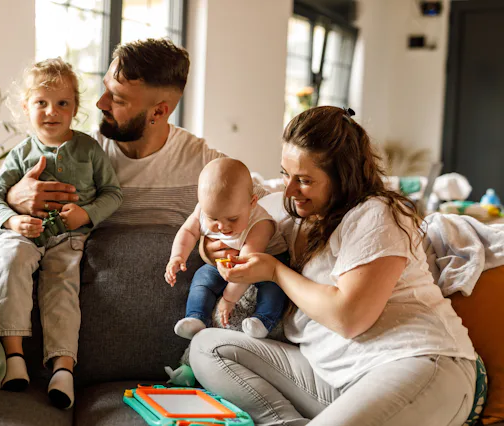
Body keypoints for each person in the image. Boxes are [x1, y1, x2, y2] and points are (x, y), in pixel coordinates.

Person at [189, 106, 476, 426]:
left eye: (305, 180)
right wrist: (209, 246)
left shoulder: (375, 214)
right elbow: (229, 218)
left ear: (342, 176)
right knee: (207, 347)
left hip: (415, 362)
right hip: (334, 377)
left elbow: (349, 317)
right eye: (285, 174)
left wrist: (275, 271)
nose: (289, 189)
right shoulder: (285, 211)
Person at [4, 38, 266, 233]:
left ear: (159, 111)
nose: (100, 103)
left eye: (117, 99)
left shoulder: (204, 165)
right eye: (105, 89)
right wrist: (13, 197)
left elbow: (265, 205)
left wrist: (219, 246)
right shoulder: (83, 152)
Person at [0, 58, 123, 409]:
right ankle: (13, 356)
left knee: (62, 285)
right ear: (26, 107)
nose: (51, 111)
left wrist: (86, 214)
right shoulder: (20, 154)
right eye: (41, 102)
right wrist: (13, 222)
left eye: (62, 103)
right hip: (24, 233)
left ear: (75, 108)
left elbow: (113, 193)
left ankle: (63, 367)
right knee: (11, 261)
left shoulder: (89, 150)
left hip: (68, 239)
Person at [166, 158, 288, 339]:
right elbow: (188, 231)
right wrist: (177, 256)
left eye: (232, 219)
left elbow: (247, 268)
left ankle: (263, 320)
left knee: (275, 287)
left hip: (263, 264)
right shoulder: (203, 210)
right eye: (213, 219)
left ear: (252, 203)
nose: (222, 227)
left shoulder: (261, 224)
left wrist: (229, 299)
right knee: (201, 278)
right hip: (227, 262)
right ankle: (196, 318)